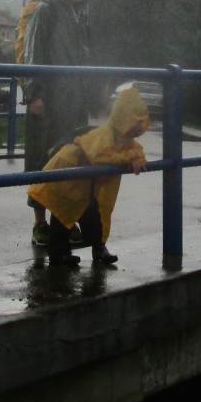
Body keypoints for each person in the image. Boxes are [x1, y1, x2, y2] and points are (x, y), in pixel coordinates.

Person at [21, 0, 101, 247]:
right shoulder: (47, 10)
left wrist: (92, 94)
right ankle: (40, 223)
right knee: (42, 160)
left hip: (73, 102)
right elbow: (33, 52)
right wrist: (35, 94)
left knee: (69, 160)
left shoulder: (81, 16)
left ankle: (63, 221)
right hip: (49, 98)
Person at [27, 85, 149, 266]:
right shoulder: (104, 135)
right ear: (123, 118)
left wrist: (136, 158)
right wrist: (127, 159)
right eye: (135, 122)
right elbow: (99, 155)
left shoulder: (123, 137)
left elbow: (134, 149)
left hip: (83, 182)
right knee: (63, 212)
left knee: (94, 214)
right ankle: (60, 254)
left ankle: (97, 248)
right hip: (67, 173)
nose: (140, 127)